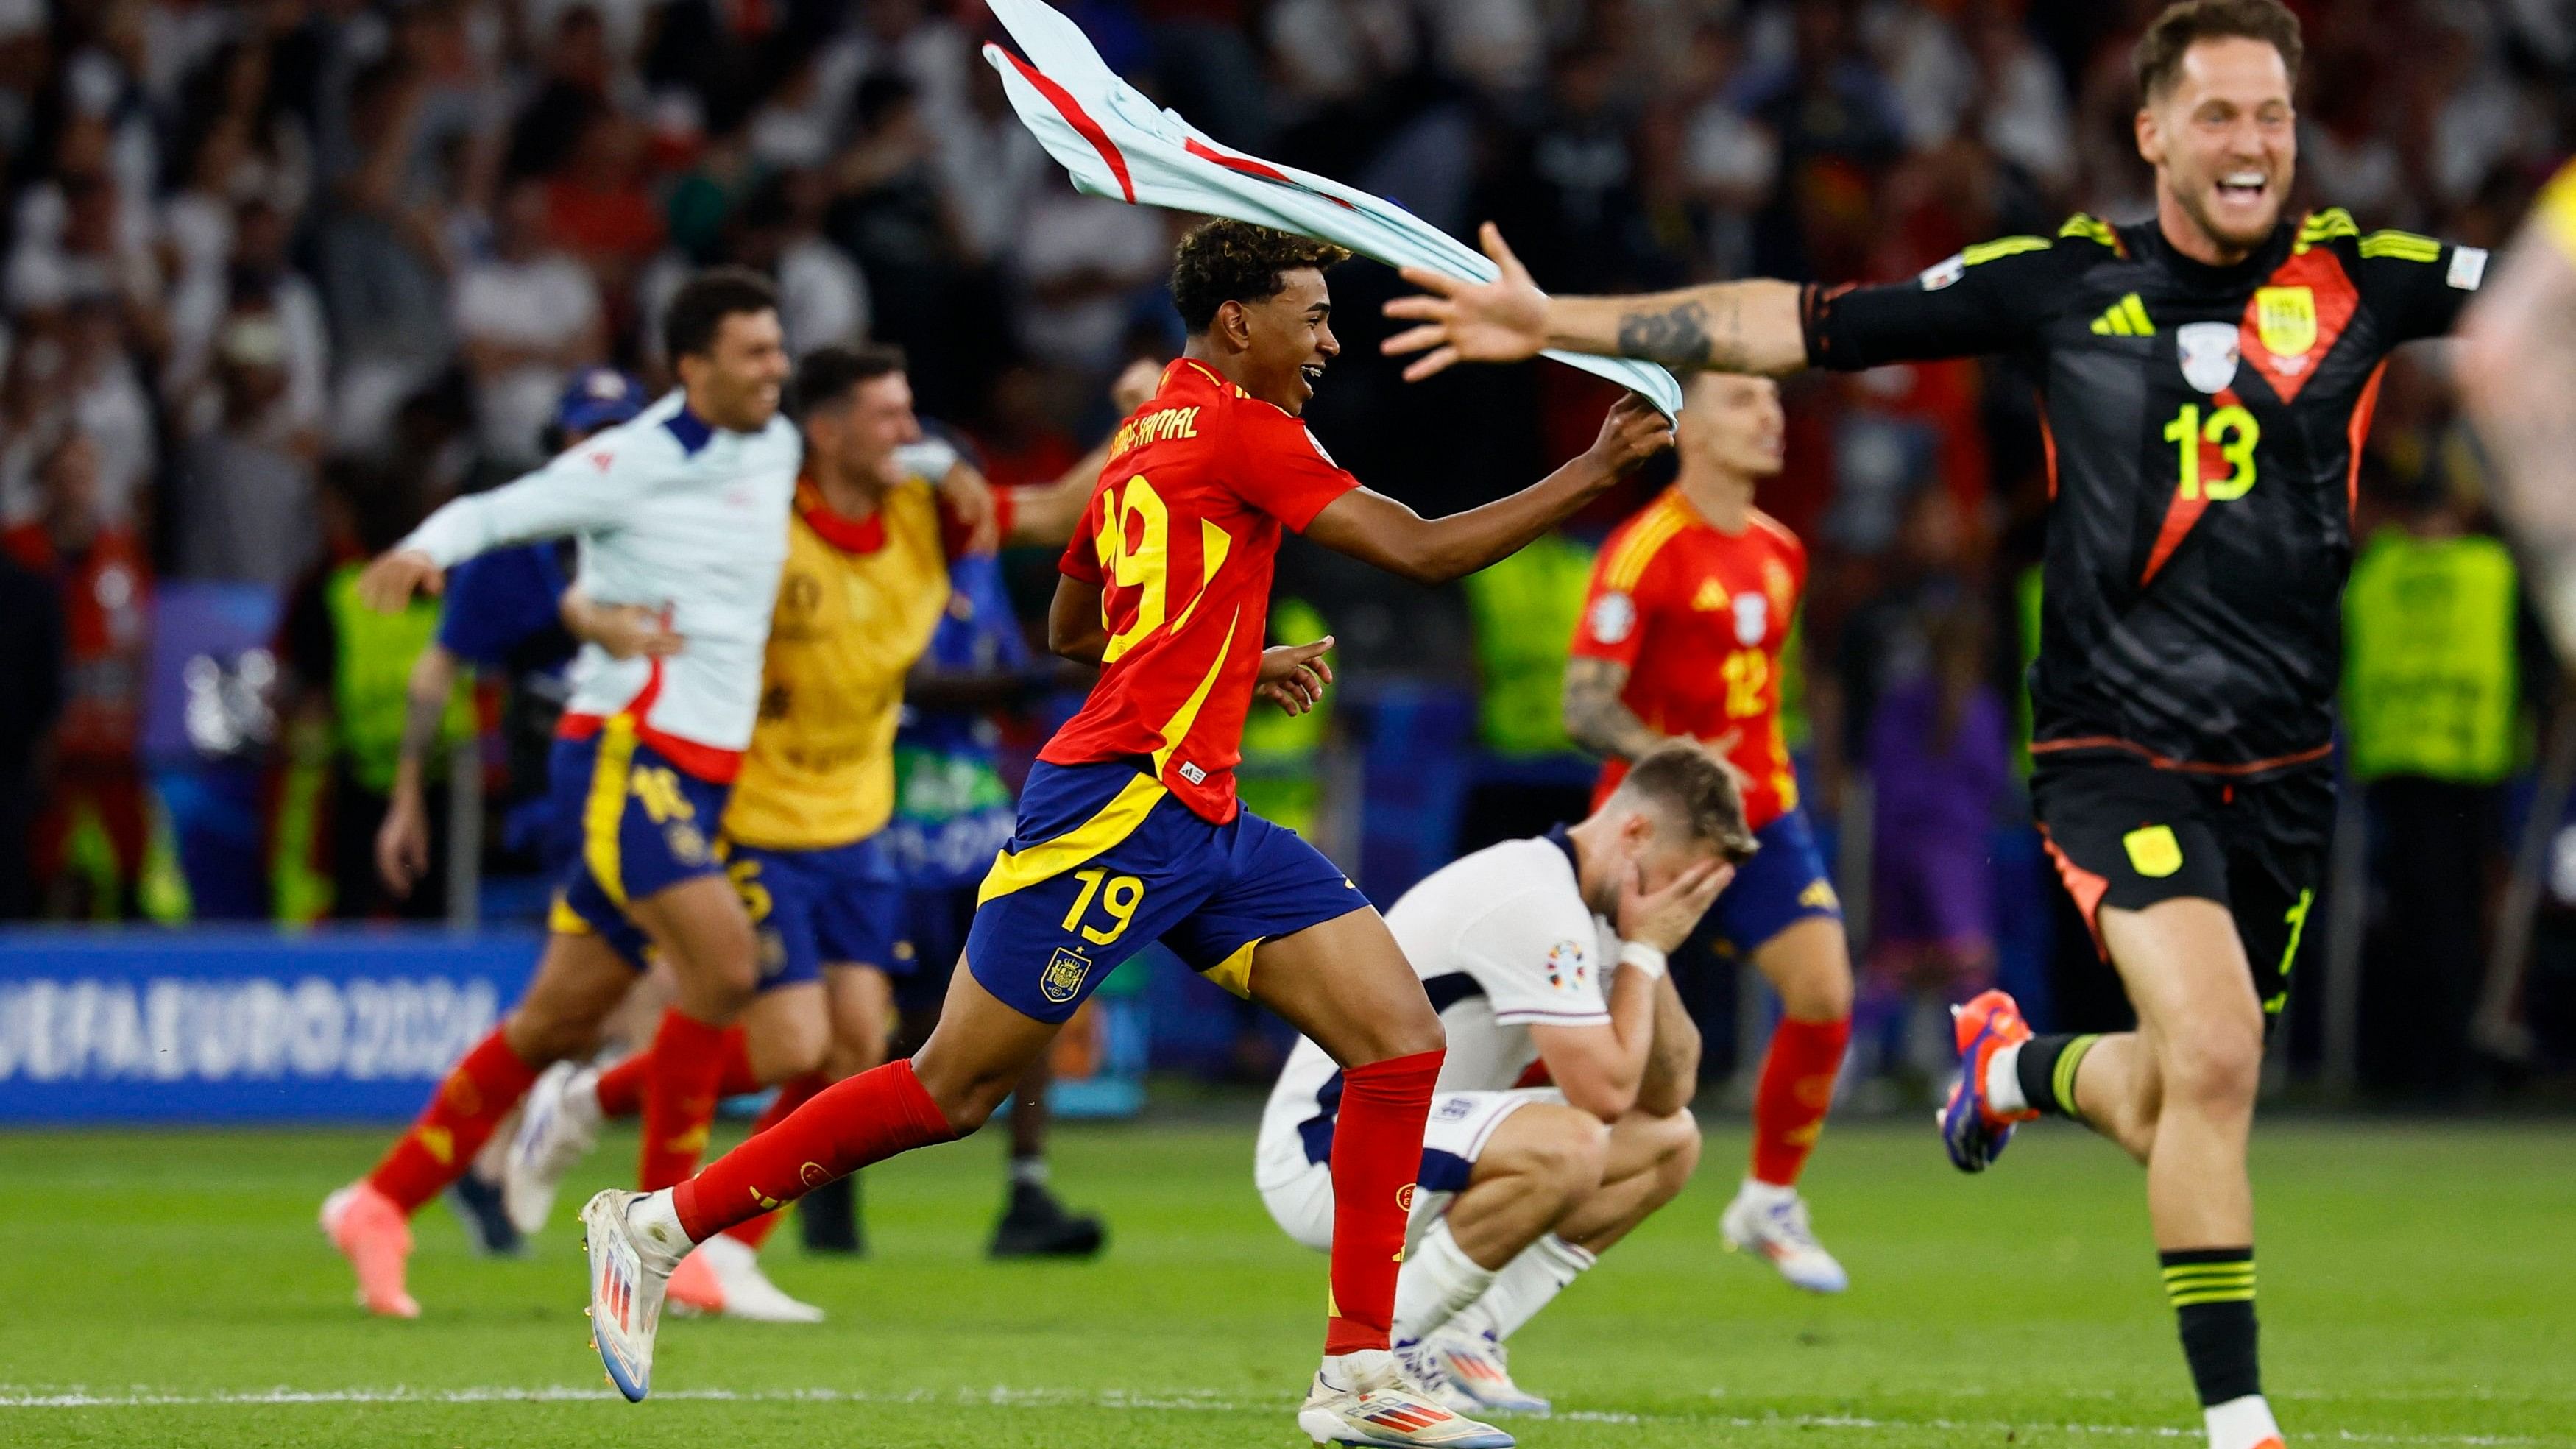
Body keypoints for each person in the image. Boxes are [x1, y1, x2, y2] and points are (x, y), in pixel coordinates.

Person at [1379, 5, 2491, 1445]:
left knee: (2181, 1092)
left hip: (2280, 768)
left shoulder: (2365, 278)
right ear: (2150, 133)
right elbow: (1795, 320)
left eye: (2270, 116)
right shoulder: (2058, 283)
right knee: (2210, 1059)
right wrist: (1559, 326)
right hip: (2113, 746)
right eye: (2217, 115)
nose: (2250, 144)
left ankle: (2012, 1067)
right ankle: (2242, 1426)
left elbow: (2542, 287)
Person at [576, 219, 1672, 1449]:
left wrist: (1226, 661)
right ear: (1236, 323)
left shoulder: (1151, 432)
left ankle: (1359, 1372)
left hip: (1196, 808)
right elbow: (1420, 550)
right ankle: (658, 1223)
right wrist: (1594, 471)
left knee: (1397, 1037)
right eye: (1312, 316)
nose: (1330, 338)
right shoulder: (1250, 429)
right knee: (951, 1088)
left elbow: (1073, 619)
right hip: (1114, 811)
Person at [498, 344, 1027, 1321]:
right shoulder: (757, 522)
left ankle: (716, 1240)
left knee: (861, 1045)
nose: (910, 437)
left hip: (855, 819)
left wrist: (1136, 425)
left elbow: (1040, 512)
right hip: (747, 811)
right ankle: (614, 1146)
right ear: (826, 433)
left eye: (914, 418)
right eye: (888, 417)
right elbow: (620, 579)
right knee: (791, 1042)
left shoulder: (916, 512)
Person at [317, 269, 799, 1319]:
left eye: (779, 348)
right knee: (722, 964)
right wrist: (419, 548)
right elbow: (502, 511)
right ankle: (669, 1229)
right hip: (631, 755)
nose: (778, 368)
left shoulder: (776, 442)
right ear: (694, 367)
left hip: (707, 772)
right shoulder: (626, 461)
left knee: (555, 1019)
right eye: (756, 352)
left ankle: (380, 1200)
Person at [1258, 743, 1744, 1417]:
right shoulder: (1532, 897)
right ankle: (1381, 1354)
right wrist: (1644, 951)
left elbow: (1666, 1095)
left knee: (1669, 1141)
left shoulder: (1591, 907)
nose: (1682, 907)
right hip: (1329, 1150)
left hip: (1413, 1137)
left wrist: (1645, 953)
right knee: (1572, 1141)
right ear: (1634, 833)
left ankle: (1461, 1335)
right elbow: (1601, 1094)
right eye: (1681, 881)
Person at [1562, 370, 1857, 1293]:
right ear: (1684, 428)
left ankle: (1767, 1198)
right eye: (1741, 400)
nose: (1768, 416)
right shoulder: (1644, 548)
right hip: (1648, 836)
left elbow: (1764, 689)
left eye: (1773, 401)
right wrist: (1681, 763)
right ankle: (1497, 1247)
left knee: (1822, 996)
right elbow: (1583, 704)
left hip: (1761, 816)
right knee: (1612, 1071)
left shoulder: (1780, 550)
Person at [372, 366, 651, 1258]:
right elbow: (438, 667)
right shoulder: (516, 553)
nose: (599, 447)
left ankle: (477, 1156)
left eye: (614, 429)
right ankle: (562, 1163)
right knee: (636, 986)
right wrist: (409, 794)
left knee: (581, 1002)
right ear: (559, 448)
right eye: (584, 432)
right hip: (562, 795)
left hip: (654, 783)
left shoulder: (659, 535)